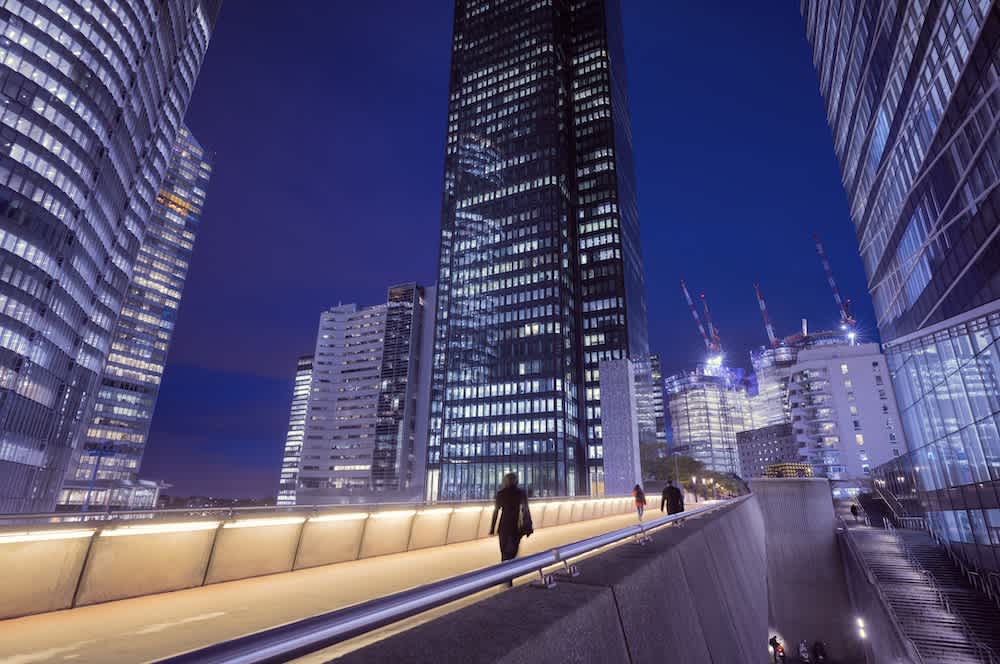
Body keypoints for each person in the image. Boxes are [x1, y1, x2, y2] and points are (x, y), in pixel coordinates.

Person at [488, 473, 533, 570]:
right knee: (513, 551)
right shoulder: (520, 493)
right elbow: (526, 510)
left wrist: (492, 528)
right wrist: (529, 525)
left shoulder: (501, 493)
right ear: (516, 481)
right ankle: (510, 572)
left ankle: (506, 574)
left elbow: (496, 511)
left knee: (504, 552)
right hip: (516, 527)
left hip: (503, 526)